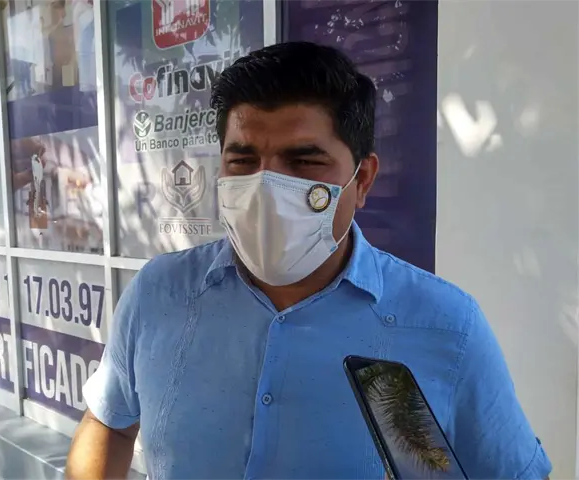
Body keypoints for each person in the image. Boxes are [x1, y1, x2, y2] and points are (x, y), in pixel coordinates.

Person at [65, 42, 552, 479]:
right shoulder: (159, 293)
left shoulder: (445, 325)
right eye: (243, 160)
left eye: (304, 161)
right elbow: (109, 424)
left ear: (363, 180)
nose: (266, 188)